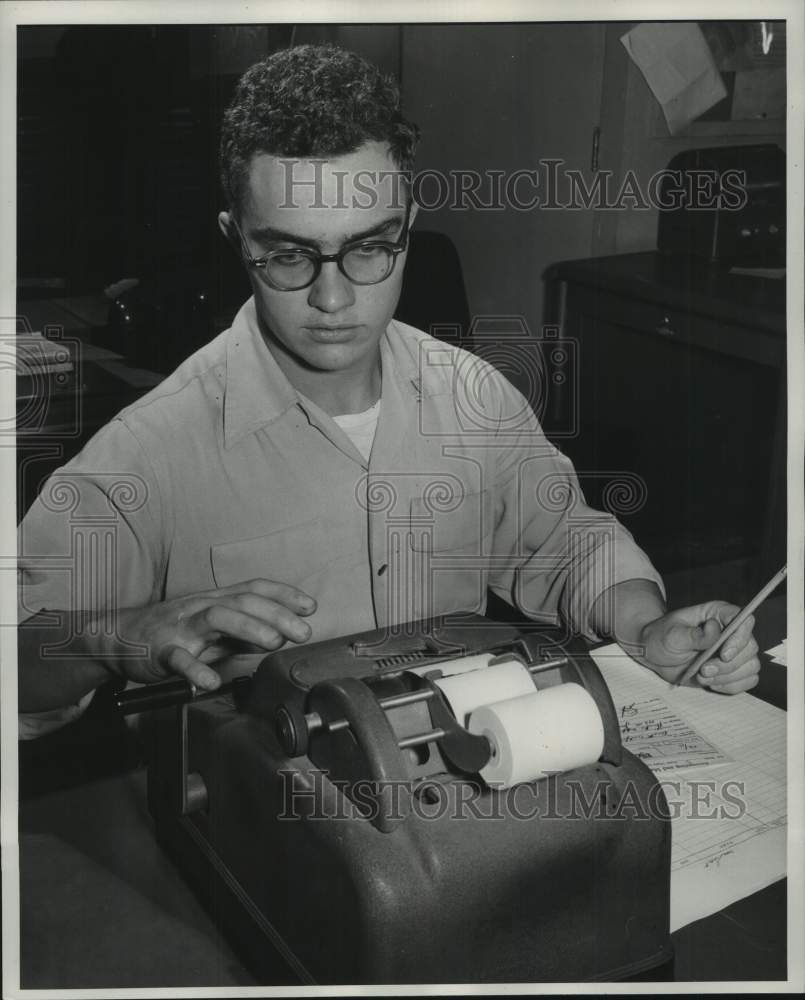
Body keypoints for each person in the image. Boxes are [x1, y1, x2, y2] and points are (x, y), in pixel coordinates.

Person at [17, 44, 760, 738]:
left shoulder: (473, 396)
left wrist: (643, 624)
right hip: (263, 813)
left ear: (406, 227)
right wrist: (117, 637)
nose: (334, 300)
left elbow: (563, 542)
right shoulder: (147, 451)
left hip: (456, 776)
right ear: (234, 236)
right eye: (287, 255)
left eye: (369, 248)